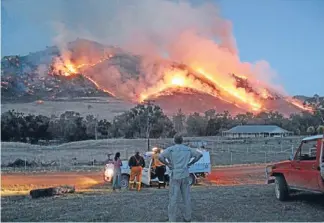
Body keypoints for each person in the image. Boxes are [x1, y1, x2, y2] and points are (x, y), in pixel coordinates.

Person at [159, 134, 203, 222]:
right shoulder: (187, 149)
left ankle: (172, 219)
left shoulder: (171, 149)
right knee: (186, 197)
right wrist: (190, 163)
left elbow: (160, 157)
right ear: (182, 141)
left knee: (173, 198)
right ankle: (187, 217)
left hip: (175, 174)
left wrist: (167, 164)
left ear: (174, 141)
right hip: (185, 174)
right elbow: (199, 155)